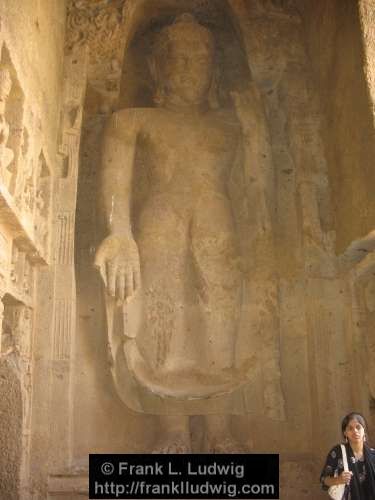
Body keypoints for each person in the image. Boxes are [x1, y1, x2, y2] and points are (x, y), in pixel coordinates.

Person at [94, 13, 267, 452]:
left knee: (220, 327)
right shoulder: (133, 121)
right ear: (157, 67)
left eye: (200, 58)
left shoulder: (229, 125)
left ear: (214, 68)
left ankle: (218, 431)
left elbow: (258, 189)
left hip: (218, 228)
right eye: (178, 58)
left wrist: (257, 132)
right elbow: (116, 189)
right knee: (162, 317)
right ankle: (171, 431)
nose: (189, 67)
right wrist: (119, 235)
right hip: (160, 225)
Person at [320, 412, 375, 499]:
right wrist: (338, 480)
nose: (355, 431)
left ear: (364, 430)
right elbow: (323, 480)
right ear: (345, 433)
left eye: (358, 427)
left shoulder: (373, 455)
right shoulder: (337, 452)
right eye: (350, 428)